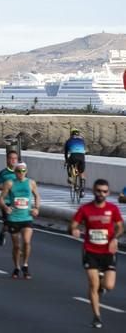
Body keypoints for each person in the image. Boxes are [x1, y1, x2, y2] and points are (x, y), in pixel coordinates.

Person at [70, 179, 124, 329]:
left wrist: (114, 238)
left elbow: (120, 226)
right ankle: (97, 316)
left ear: (108, 192)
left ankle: (102, 286)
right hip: (90, 251)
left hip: (108, 251)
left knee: (109, 285)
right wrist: (74, 230)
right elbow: (73, 224)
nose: (101, 194)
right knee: (93, 284)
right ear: (94, 191)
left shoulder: (112, 209)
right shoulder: (85, 209)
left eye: (104, 191)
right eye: (99, 191)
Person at [0, 162, 40, 279]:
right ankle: (17, 267)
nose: (21, 173)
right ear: (15, 172)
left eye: (23, 171)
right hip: (14, 218)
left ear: (26, 171)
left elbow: (37, 196)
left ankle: (25, 265)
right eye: (18, 171)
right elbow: (0, 199)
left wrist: (36, 208)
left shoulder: (31, 183)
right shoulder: (9, 183)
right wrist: (6, 207)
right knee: (16, 246)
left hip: (27, 217)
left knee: (26, 241)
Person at [0, 150, 19, 246]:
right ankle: (4, 232)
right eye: (11, 158)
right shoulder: (3, 173)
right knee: (9, 223)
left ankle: (18, 246)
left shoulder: (21, 172)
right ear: (7, 160)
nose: (13, 160)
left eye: (15, 159)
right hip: (6, 202)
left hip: (18, 202)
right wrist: (6, 187)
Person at [65, 127, 87, 197]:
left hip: (73, 156)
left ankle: (70, 178)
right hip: (81, 157)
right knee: (82, 172)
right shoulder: (82, 141)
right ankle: (82, 190)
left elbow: (66, 153)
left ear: (71, 134)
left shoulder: (69, 140)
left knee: (69, 164)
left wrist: (66, 160)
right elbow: (84, 150)